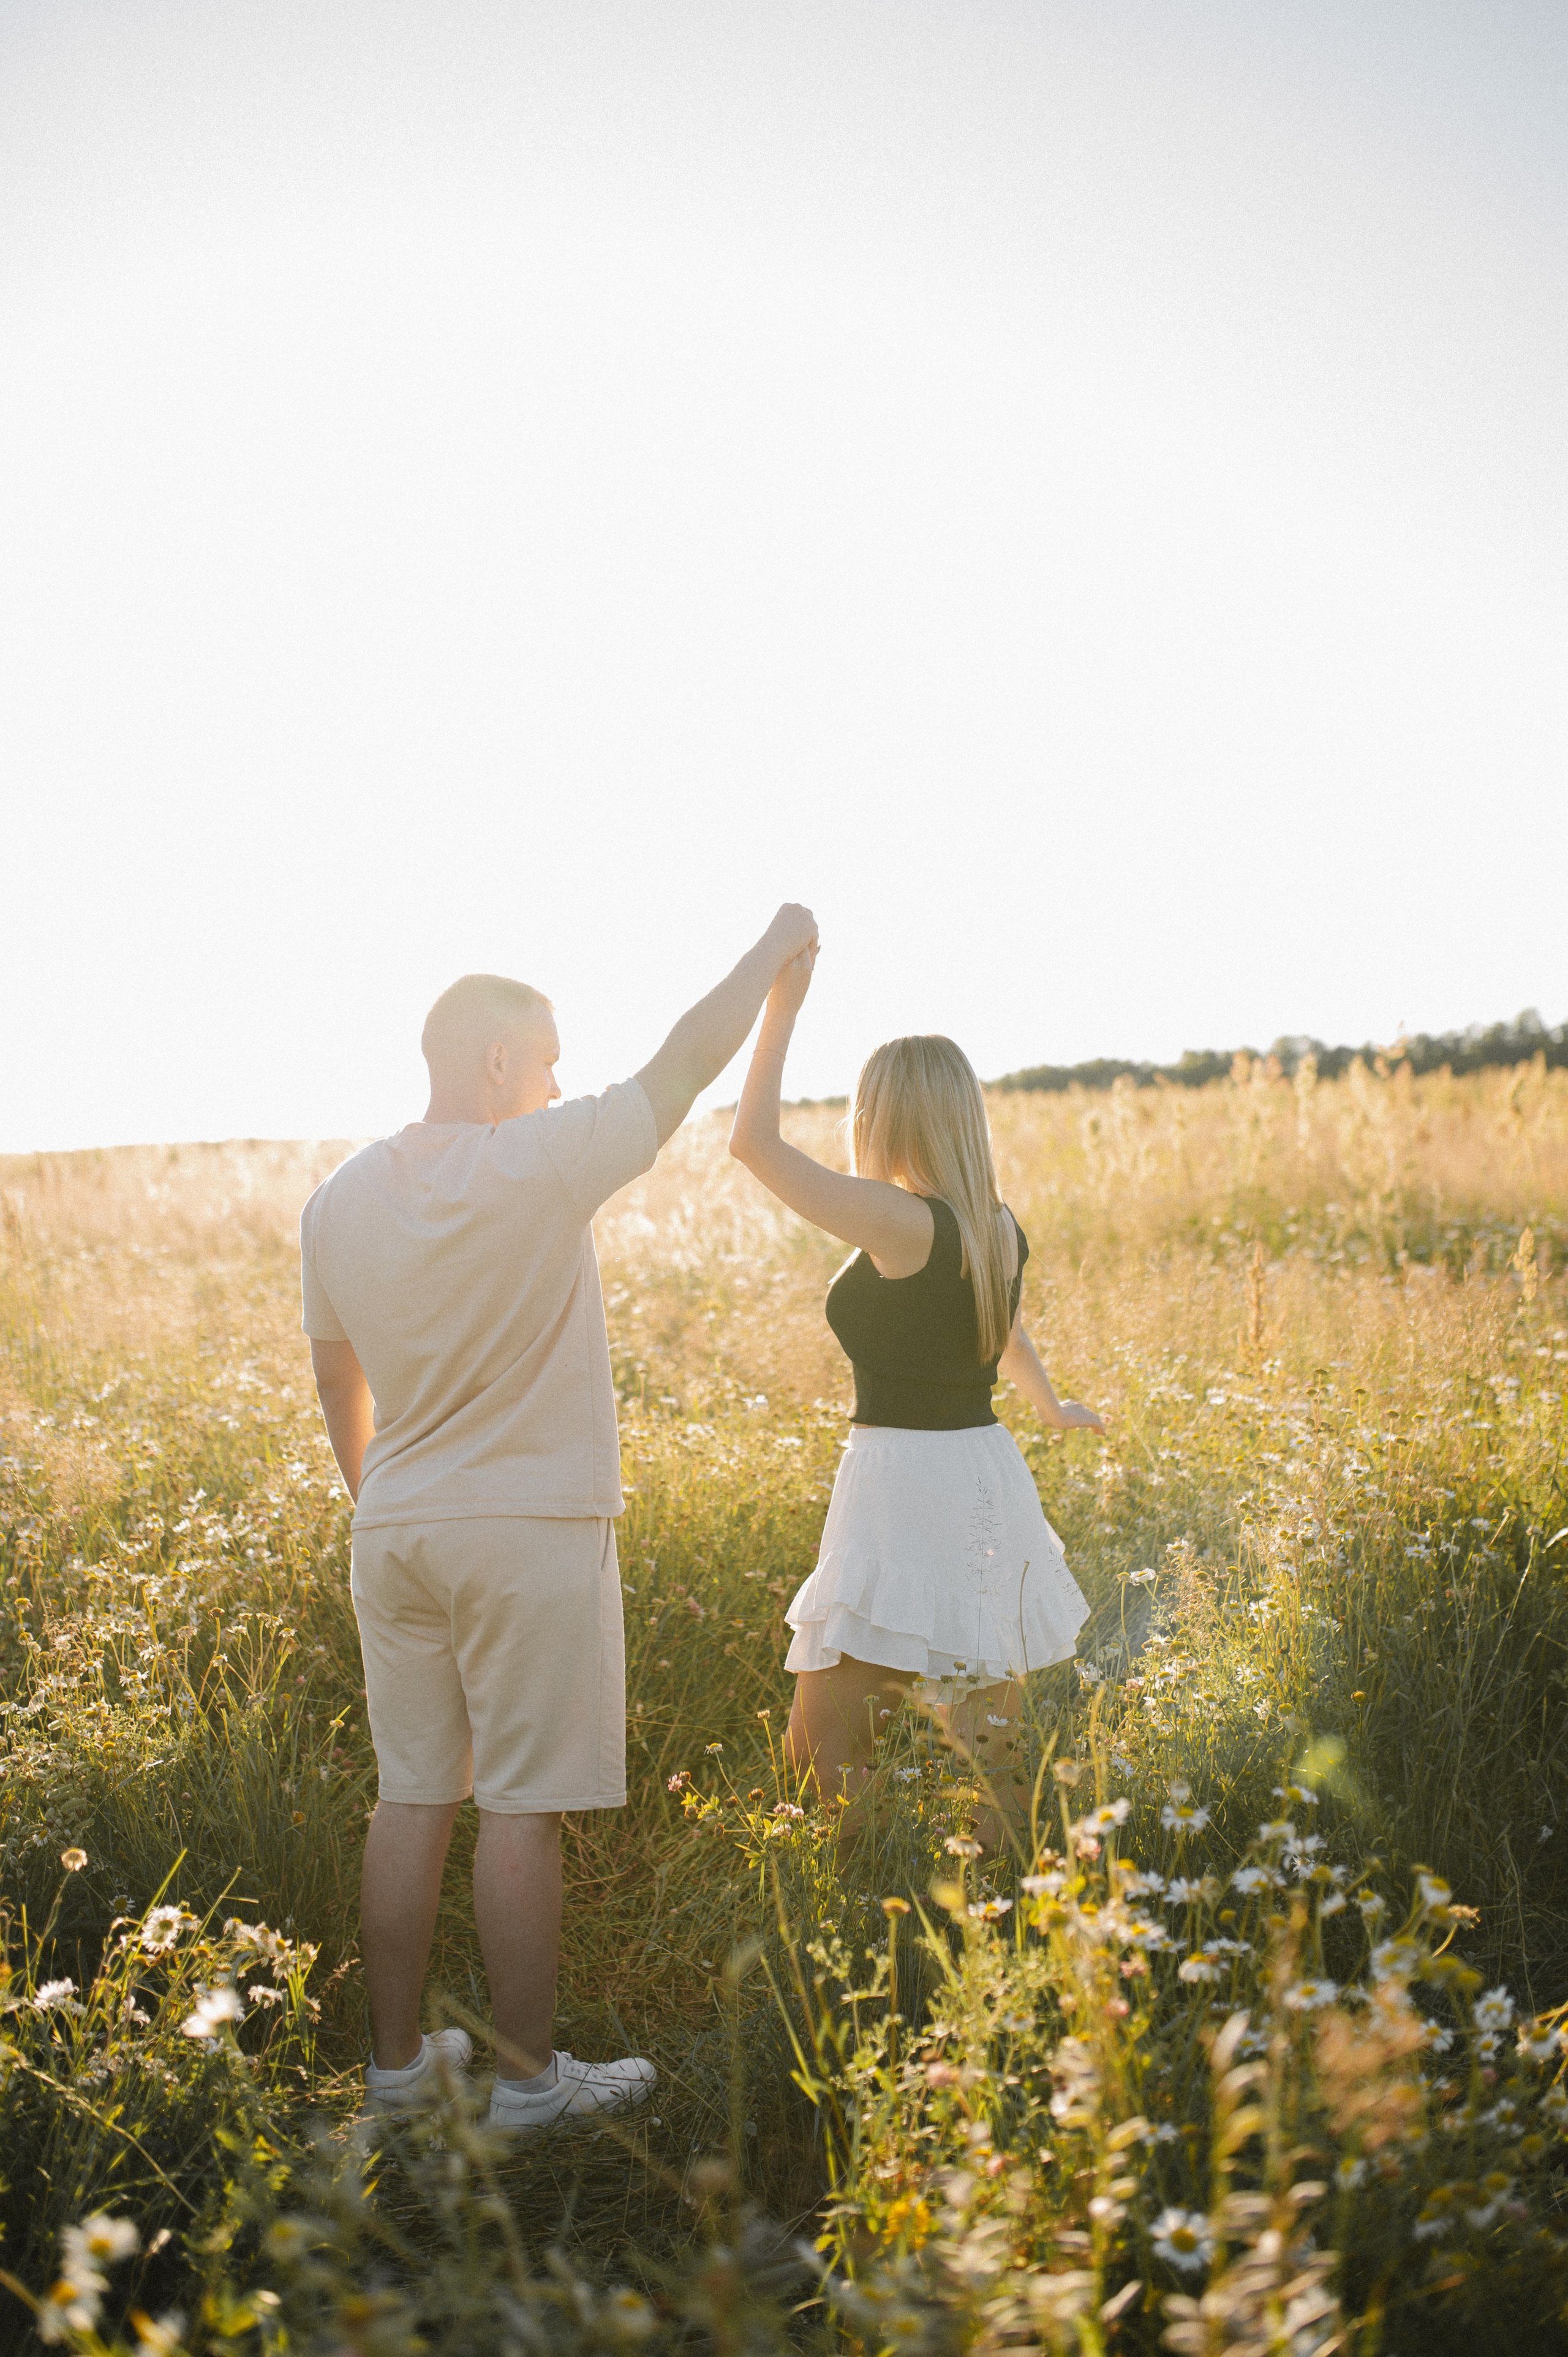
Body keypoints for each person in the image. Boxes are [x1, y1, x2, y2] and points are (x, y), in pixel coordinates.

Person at [301, 903, 817, 2131]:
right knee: (518, 1806)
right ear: (494, 1063)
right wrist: (770, 956)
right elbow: (686, 1061)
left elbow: (335, 1375)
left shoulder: (334, 1197)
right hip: (525, 1529)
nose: (558, 1077)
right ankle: (531, 2081)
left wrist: (381, 1495)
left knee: (412, 1793)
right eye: (545, 1054)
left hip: (398, 1527)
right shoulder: (538, 1159)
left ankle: (392, 2074)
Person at [728, 947, 1103, 1844]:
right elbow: (1001, 1324)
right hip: (983, 1474)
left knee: (823, 1749)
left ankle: (870, 1913)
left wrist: (783, 1004)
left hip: (903, 1486)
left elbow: (752, 1144)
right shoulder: (993, 1225)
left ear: (885, 1116)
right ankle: (1003, 1924)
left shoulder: (900, 1222)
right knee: (991, 1755)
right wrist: (1048, 1406)